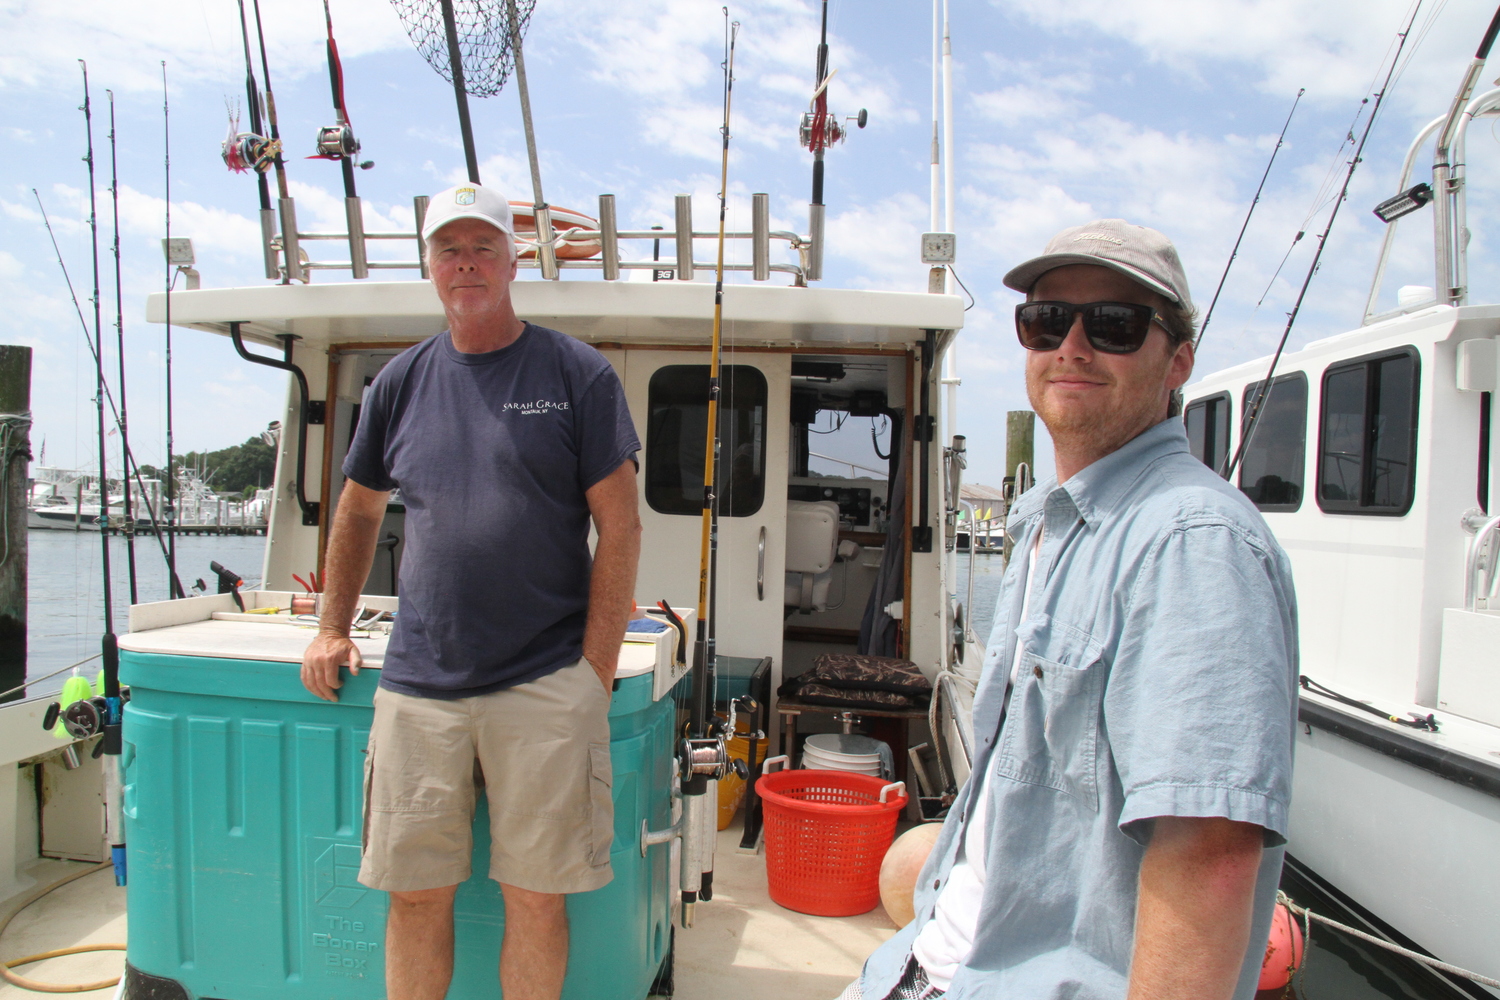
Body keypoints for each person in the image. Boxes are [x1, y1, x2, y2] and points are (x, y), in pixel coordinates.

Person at [849, 219, 1298, 1000]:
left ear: (1177, 362)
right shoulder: (1042, 524)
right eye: (1047, 320)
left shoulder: (1191, 543)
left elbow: (1210, 862)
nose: (1074, 346)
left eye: (1116, 326)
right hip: (932, 968)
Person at [300, 183, 642, 1000]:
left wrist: (592, 674)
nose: (467, 264)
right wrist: (329, 628)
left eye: (483, 247)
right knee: (413, 898)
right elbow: (356, 510)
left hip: (545, 681)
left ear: (513, 258)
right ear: (430, 267)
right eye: (450, 249)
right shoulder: (398, 383)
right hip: (418, 686)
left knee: (535, 899)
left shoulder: (576, 372)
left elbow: (621, 527)